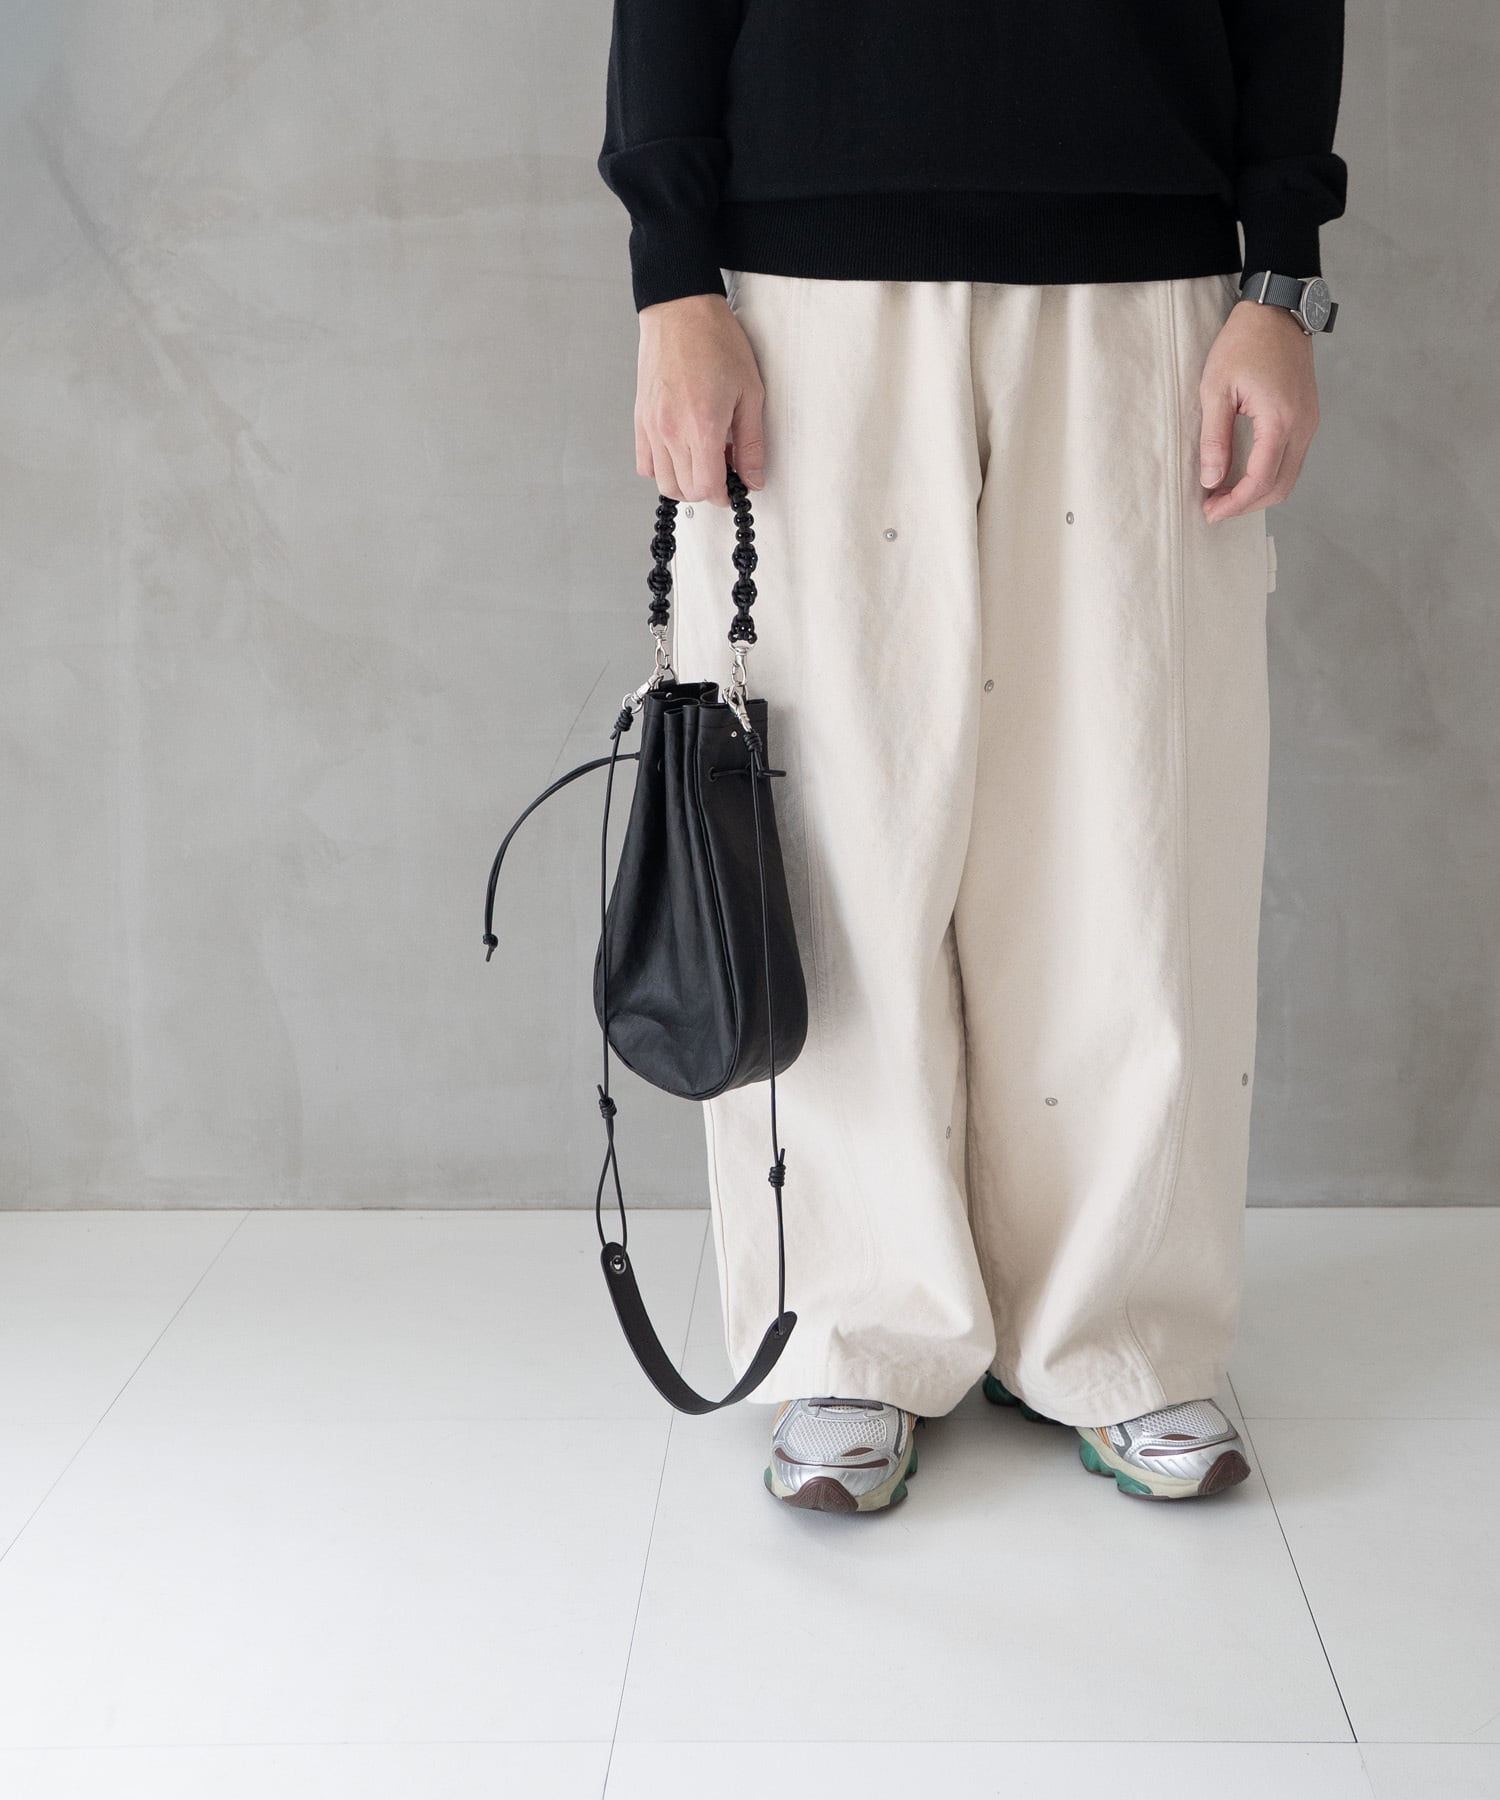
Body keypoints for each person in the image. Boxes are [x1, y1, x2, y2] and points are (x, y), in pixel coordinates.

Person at [597, 2, 1346, 1511]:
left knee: (1128, 830)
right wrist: (673, 276)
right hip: (809, 281)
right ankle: (848, 1336)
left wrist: (1280, 277)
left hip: (1149, 270)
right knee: (833, 843)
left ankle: (1117, 1333)